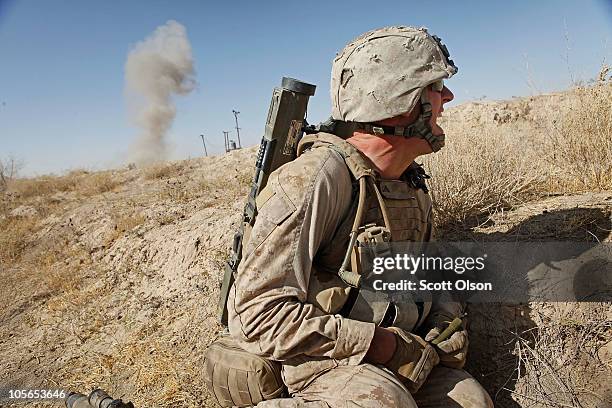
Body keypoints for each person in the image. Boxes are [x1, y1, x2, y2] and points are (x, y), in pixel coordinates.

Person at [227, 26, 493, 408]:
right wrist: (382, 346)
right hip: (323, 362)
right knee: (384, 402)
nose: (447, 96)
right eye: (435, 86)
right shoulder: (316, 179)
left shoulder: (409, 180)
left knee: (470, 402)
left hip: (404, 350)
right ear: (399, 100)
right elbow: (257, 317)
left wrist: (443, 322)